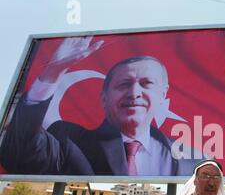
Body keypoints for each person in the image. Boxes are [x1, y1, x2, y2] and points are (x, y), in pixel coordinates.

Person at [0, 36, 197, 176]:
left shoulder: (194, 158)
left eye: (146, 83)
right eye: (124, 84)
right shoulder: (69, 140)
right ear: (104, 98)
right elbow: (19, 151)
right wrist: (52, 73)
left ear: (163, 94)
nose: (134, 93)